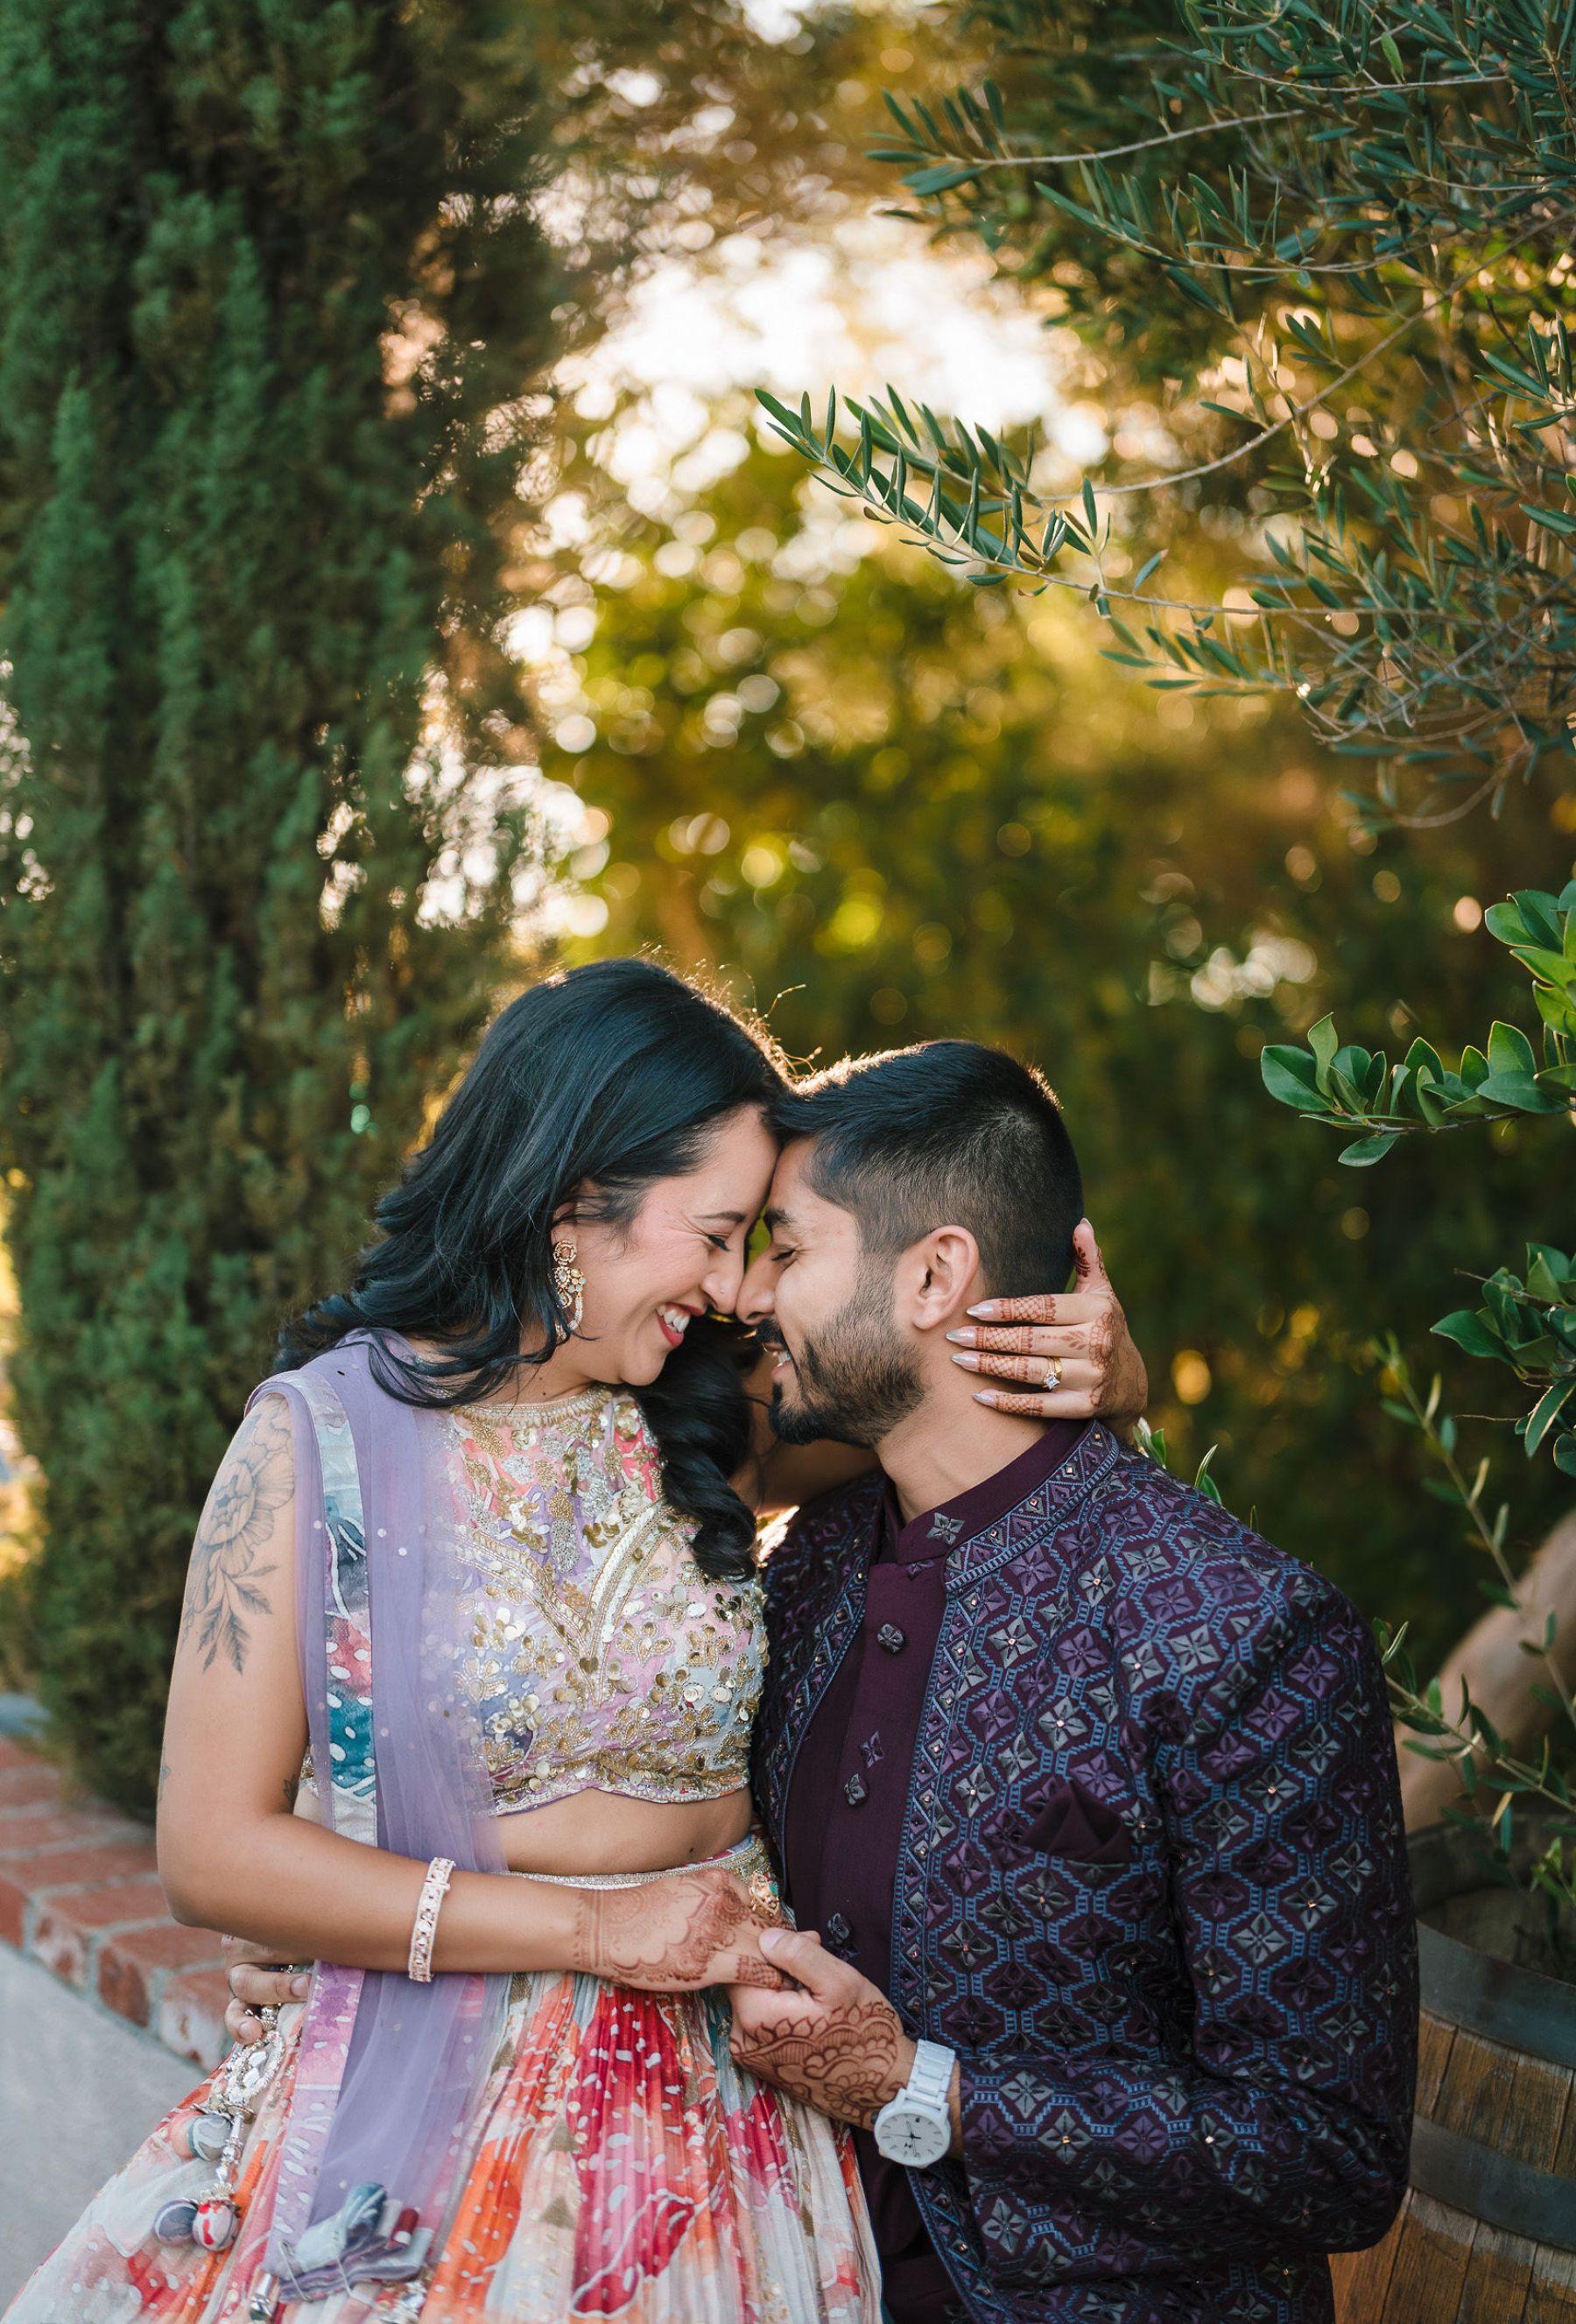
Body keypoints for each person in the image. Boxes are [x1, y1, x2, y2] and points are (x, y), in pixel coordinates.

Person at [4, 962, 1143, 2324]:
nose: (732, 1289)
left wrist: (1109, 1378)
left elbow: (950, 1418)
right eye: (714, 1232)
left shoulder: (718, 1424)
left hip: (732, 2119)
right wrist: (602, 1932)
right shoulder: (320, 1446)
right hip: (435, 2103)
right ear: (573, 1197)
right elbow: (211, 1850)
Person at [720, 1041, 1418, 2324]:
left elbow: (1330, 2153)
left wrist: (928, 2091)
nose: (749, 1291)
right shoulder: (809, 1573)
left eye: (788, 1247)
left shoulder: (1244, 1631)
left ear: (933, 1274)